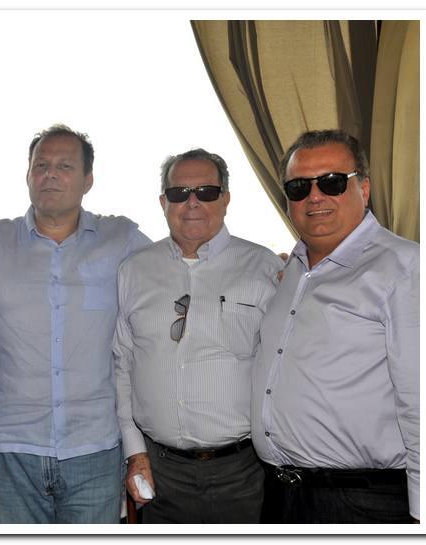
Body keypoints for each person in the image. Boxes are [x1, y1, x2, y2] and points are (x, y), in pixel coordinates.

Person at [0, 124, 151, 523]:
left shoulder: (122, 239)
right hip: (14, 448)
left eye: (65, 166)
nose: (50, 174)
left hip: (95, 447)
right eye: (40, 165)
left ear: (88, 180)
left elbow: (173, 271)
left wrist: (273, 269)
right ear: (27, 175)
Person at [251, 129, 420, 524]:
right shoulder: (292, 270)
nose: (314, 196)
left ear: (364, 188)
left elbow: (425, 404)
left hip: (362, 503)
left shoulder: (406, 268)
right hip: (281, 495)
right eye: (298, 187)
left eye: (331, 182)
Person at [115, 148, 282, 523]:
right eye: (179, 193)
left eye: (206, 192)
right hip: (159, 469)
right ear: (163, 202)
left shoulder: (265, 268)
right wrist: (135, 452)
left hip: (242, 472)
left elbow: (284, 366)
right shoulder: (133, 271)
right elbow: (122, 365)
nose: (192, 203)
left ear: (226, 199)